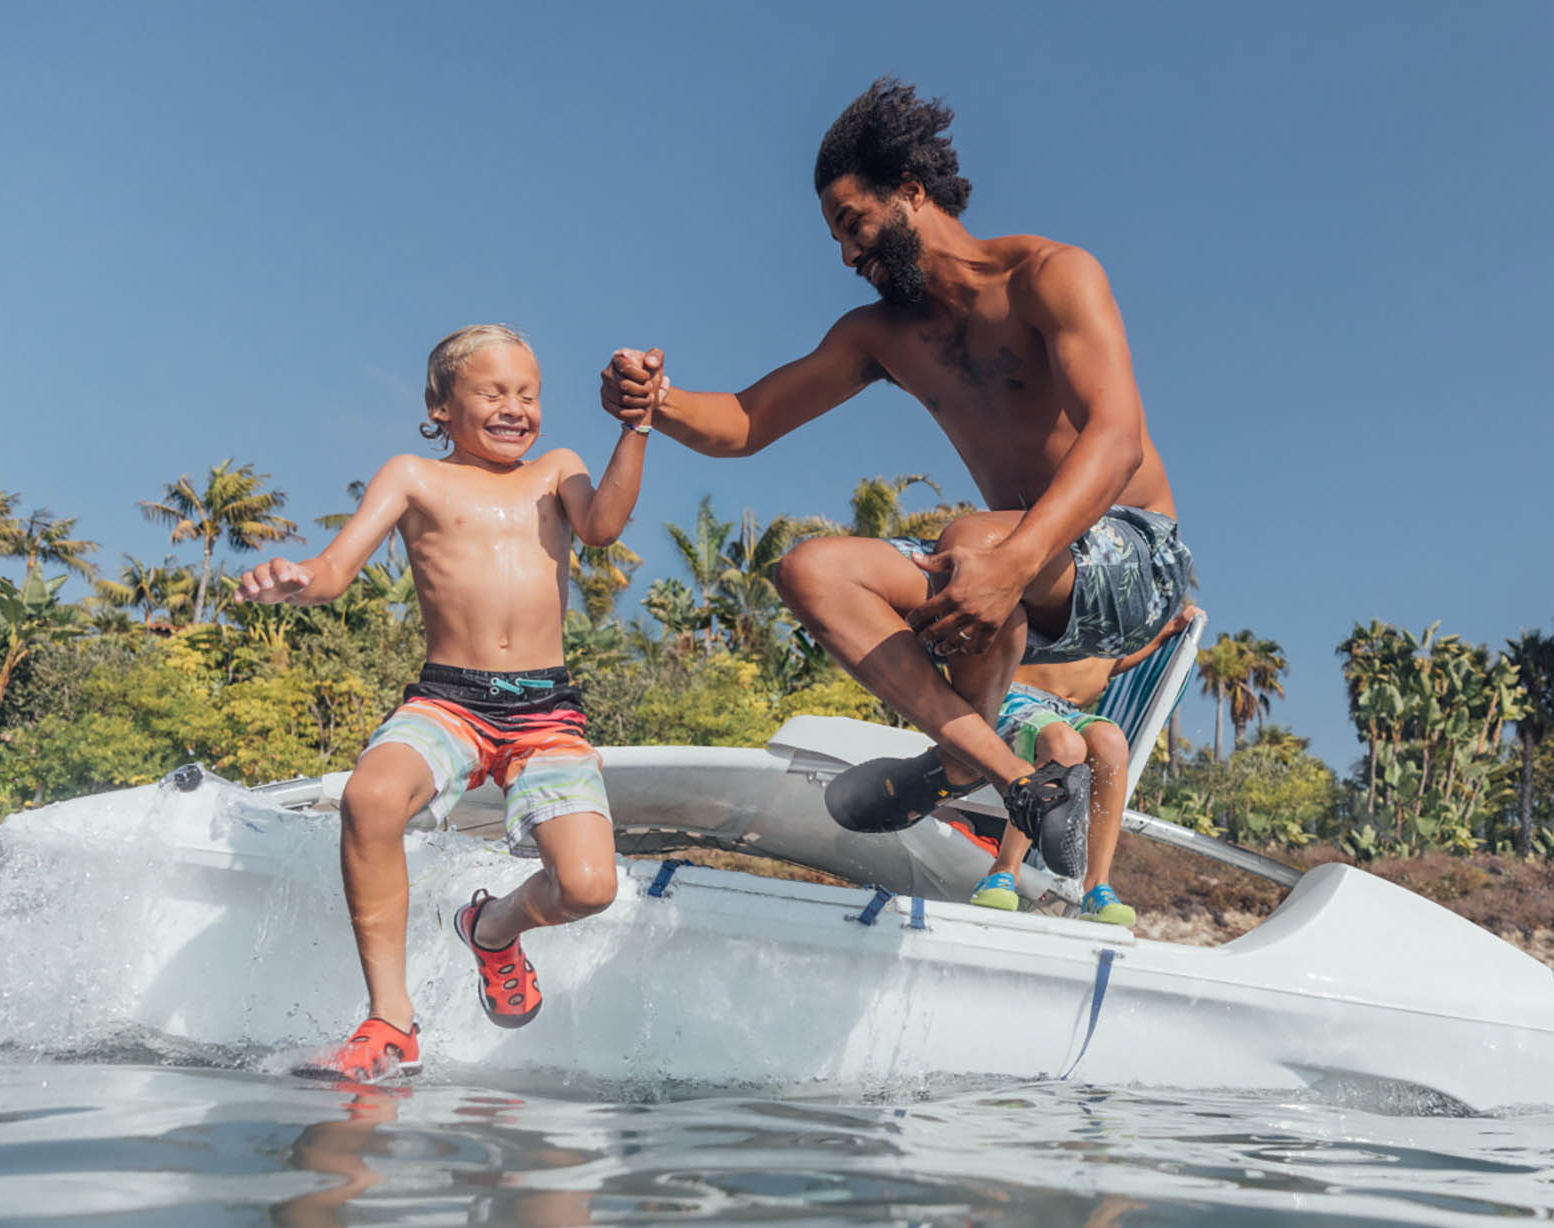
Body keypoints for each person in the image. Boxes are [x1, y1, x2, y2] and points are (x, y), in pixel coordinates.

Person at [601, 78, 1192, 880]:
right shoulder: (878, 336)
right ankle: (1002, 772)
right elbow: (745, 421)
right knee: (810, 569)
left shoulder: (1047, 275)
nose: (848, 256)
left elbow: (1117, 438)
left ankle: (950, 763)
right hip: (1016, 569)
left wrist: (1011, 564)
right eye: (838, 240)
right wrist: (656, 401)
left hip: (1134, 557)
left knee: (971, 541)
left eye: (855, 225)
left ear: (911, 194)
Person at [235, 323, 652, 1081]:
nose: (514, 407)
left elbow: (604, 526)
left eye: (527, 393)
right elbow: (334, 570)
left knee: (589, 887)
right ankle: (390, 1021)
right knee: (371, 796)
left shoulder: (556, 470)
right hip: (449, 703)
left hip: (545, 714)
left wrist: (636, 427)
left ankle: (492, 928)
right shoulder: (412, 477)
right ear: (440, 404)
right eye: (492, 392)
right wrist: (298, 580)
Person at [968, 605, 1199, 926]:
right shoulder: (1063, 593)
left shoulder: (1110, 618)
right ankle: (1004, 870)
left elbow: (1113, 663)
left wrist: (1166, 631)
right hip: (1014, 699)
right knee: (1065, 744)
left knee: (1111, 740)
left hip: (1066, 711)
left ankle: (1096, 886)